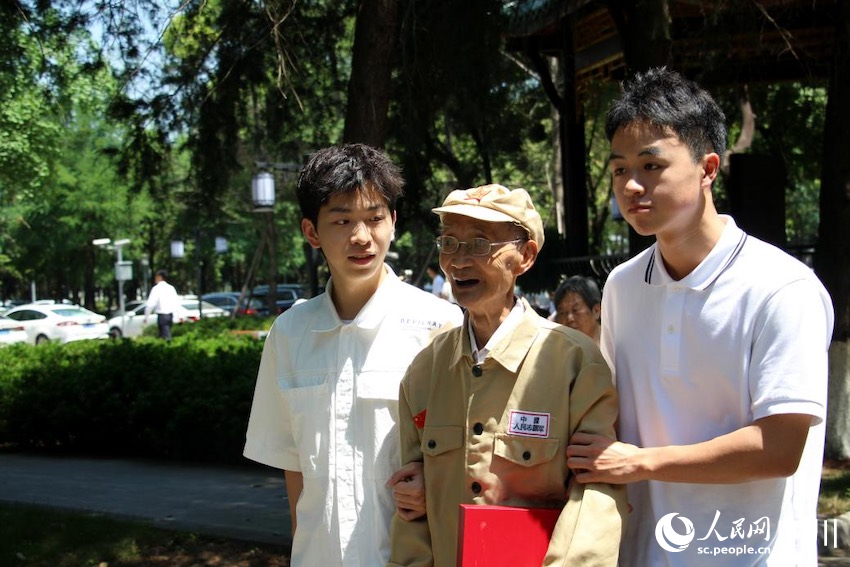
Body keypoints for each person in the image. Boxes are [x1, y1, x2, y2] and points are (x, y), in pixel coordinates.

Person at [566, 68, 834, 566]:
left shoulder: (782, 289)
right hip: (644, 553)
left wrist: (641, 463)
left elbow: (779, 448)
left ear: (708, 168)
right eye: (620, 168)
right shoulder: (623, 286)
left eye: (651, 165)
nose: (631, 185)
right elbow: (613, 416)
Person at [243, 144, 463, 567]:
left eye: (374, 218)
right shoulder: (289, 334)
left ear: (393, 222)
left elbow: (466, 454)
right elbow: (293, 467)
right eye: (342, 221)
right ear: (312, 233)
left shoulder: (440, 327)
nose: (361, 237)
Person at [388, 184, 626, 567]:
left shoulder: (574, 362)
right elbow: (412, 498)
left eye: (480, 245)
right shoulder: (425, 370)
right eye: (449, 243)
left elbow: (597, 488)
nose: (459, 261)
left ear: (526, 256)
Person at [551, 275, 602, 344]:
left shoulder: (613, 347)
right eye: (562, 313)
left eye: (575, 310)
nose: (569, 318)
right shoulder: (556, 350)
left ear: (596, 310)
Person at [143, 270, 180, 340]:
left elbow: (150, 304)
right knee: (165, 334)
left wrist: (146, 317)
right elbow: (175, 303)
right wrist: (176, 317)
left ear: (159, 277)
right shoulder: (171, 288)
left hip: (162, 316)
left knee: (165, 337)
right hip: (170, 316)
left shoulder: (156, 289)